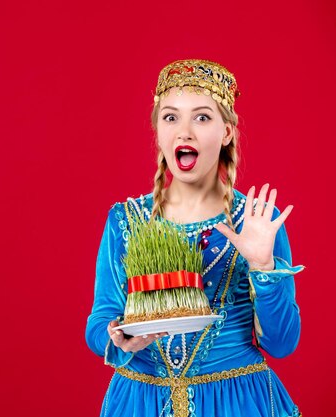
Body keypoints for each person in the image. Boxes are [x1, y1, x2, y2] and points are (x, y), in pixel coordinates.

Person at [85, 59, 304, 417]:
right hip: (141, 401)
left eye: (202, 118)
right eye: (171, 117)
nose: (184, 132)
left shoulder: (256, 221)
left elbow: (282, 344)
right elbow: (99, 322)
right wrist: (119, 336)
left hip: (238, 402)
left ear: (227, 132)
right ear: (158, 130)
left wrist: (262, 265)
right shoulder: (125, 220)